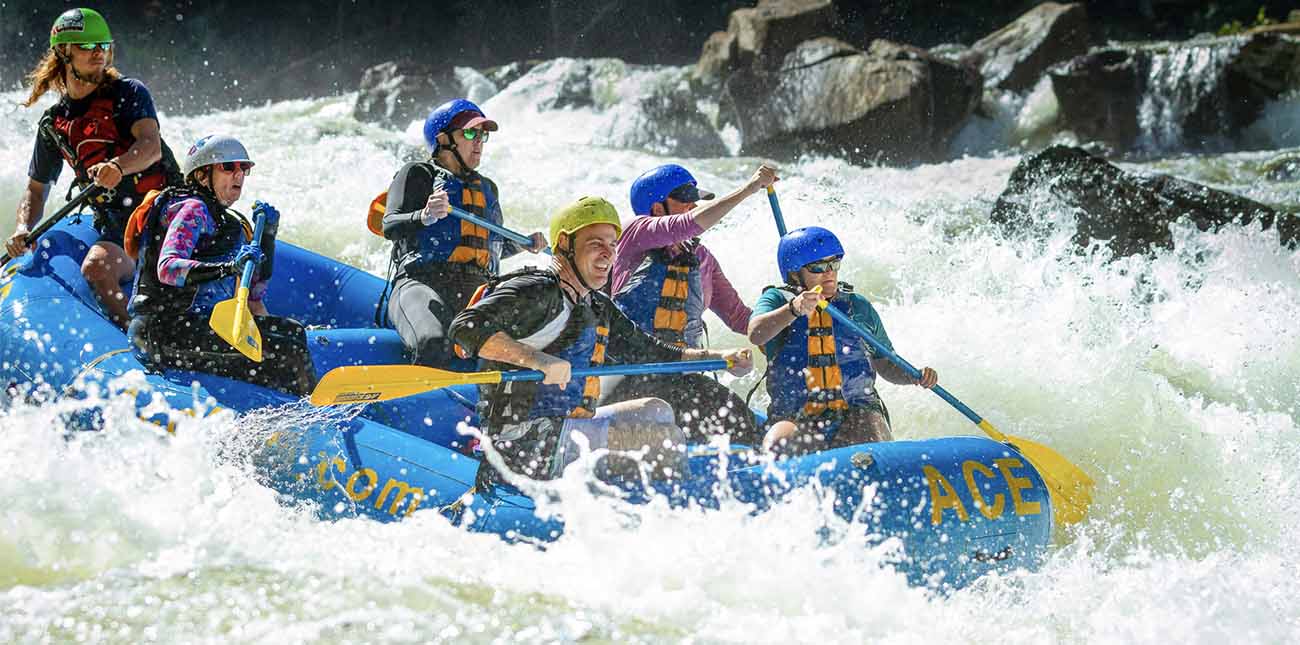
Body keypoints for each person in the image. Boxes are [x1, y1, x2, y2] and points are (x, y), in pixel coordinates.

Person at [449, 196, 753, 483]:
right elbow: (466, 328)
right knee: (664, 438)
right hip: (522, 442)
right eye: (596, 244)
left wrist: (720, 358)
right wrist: (535, 359)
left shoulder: (595, 305)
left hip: (565, 427)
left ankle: (632, 488)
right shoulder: (536, 290)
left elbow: (650, 352)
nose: (608, 254)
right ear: (565, 244)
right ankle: (674, 509)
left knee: (656, 409)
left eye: (612, 244)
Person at [6, 8, 181, 328]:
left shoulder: (129, 93)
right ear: (64, 52)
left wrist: (119, 165)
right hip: (116, 223)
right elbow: (36, 189)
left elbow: (150, 146)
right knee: (96, 268)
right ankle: (133, 337)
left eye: (103, 44)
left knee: (97, 265)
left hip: (162, 209)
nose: (99, 52)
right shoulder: (54, 125)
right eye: (87, 46)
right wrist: (22, 229)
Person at [124, 135, 316, 396]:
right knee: (288, 353)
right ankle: (308, 416)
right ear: (203, 176)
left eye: (243, 168)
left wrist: (268, 236)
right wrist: (227, 268)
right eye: (228, 168)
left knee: (293, 331)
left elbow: (256, 290)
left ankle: (290, 402)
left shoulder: (230, 224)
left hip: (201, 325)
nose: (238, 175)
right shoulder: (192, 210)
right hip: (162, 331)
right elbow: (167, 268)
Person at [606, 163, 778, 445]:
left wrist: (790, 317)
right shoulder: (633, 235)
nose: (694, 204)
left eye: (695, 197)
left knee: (741, 427)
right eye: (684, 197)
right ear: (657, 208)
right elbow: (687, 223)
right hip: (627, 375)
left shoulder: (703, 258)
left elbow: (741, 319)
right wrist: (748, 189)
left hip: (681, 375)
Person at [381, 98, 547, 367]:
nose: (479, 141)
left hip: (474, 291)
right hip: (421, 283)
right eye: (469, 133)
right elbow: (389, 226)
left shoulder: (488, 189)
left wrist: (522, 245)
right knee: (434, 343)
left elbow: (488, 247)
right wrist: (424, 215)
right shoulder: (418, 173)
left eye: (483, 134)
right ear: (443, 140)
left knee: (521, 351)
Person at [746, 226, 939, 455]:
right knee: (779, 445)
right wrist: (793, 309)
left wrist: (915, 376)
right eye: (818, 267)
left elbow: (886, 364)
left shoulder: (857, 306)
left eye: (834, 264)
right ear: (794, 274)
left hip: (856, 410)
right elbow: (756, 333)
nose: (829, 273)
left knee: (870, 434)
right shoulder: (778, 299)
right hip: (796, 416)